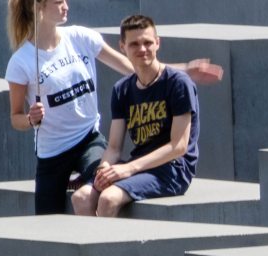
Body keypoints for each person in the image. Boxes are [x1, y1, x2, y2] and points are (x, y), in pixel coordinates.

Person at [3, 0, 218, 216]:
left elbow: (132, 67)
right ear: (38, 6)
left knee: (93, 191)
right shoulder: (21, 61)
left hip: (88, 139)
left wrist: (186, 70)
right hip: (52, 151)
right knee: (47, 221)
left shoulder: (80, 37)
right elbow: (15, 118)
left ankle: (89, 188)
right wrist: (31, 119)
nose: (66, 6)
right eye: (59, 2)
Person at [72, 15, 199, 217]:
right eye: (134, 44)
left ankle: (108, 248)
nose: (142, 49)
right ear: (122, 47)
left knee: (108, 198)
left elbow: (179, 146)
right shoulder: (122, 89)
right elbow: (114, 147)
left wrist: (128, 169)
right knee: (82, 198)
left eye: (147, 42)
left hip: (173, 169)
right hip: (138, 166)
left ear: (158, 43)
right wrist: (104, 169)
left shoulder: (178, 83)